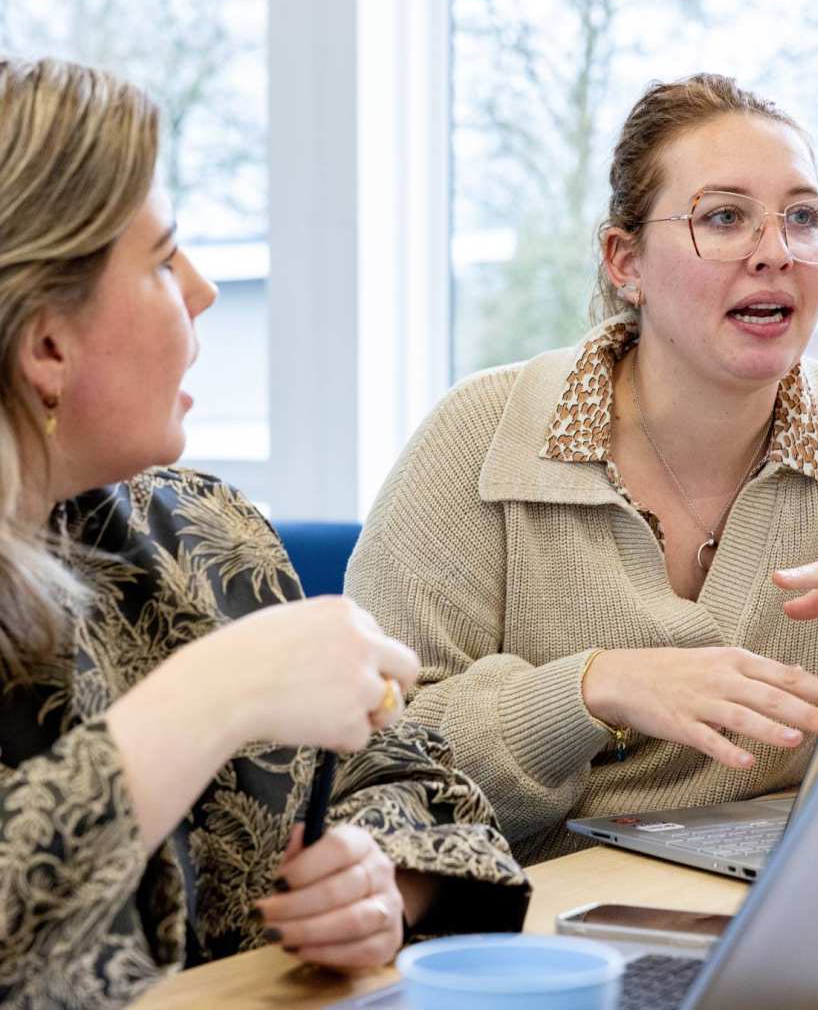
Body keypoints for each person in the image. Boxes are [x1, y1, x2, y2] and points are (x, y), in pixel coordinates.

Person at [346, 72, 818, 866]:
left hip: (791, 901)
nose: (776, 253)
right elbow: (367, 757)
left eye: (802, 218)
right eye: (724, 218)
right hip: (528, 927)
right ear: (624, 261)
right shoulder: (481, 436)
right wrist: (592, 688)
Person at [0, 56, 528, 1010]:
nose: (200, 291)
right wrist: (214, 695)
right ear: (46, 344)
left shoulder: (202, 530)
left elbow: (418, 779)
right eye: (163, 261)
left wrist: (383, 881)